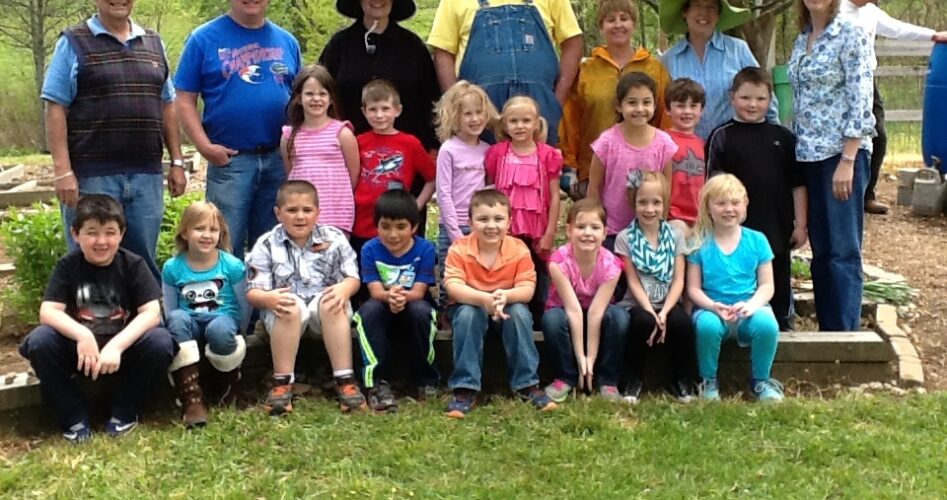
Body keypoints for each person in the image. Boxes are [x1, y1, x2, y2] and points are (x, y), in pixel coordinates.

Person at [42, 0, 186, 281]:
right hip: (92, 176)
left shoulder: (153, 43)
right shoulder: (74, 42)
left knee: (140, 262)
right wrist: (62, 171)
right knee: (90, 260)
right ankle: (88, 310)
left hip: (146, 175)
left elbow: (167, 104)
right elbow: (55, 106)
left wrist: (177, 162)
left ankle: (143, 310)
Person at [19, 195, 175, 443]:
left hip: (123, 351)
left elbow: (152, 312)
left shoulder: (133, 264)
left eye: (110, 233)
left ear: (122, 234)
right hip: (81, 353)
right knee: (40, 340)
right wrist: (82, 335)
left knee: (160, 341)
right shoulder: (68, 266)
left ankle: (126, 411)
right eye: (92, 233)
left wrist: (117, 346)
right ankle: (73, 416)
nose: (102, 241)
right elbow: (48, 311)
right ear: (75, 234)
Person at [174, 0, 302, 259]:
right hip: (230, 161)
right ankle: (225, 288)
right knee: (223, 245)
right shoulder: (203, 39)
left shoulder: (287, 42)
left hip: (279, 160)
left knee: (273, 248)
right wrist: (204, 147)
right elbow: (184, 99)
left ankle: (264, 288)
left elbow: (302, 97)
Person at [789, 0, 875, 332]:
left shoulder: (851, 34)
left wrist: (848, 159)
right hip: (808, 156)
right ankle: (828, 334)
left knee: (843, 250)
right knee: (822, 251)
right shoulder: (803, 39)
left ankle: (846, 337)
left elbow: (861, 99)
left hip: (841, 156)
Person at [244, 181, 365, 415]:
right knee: (289, 305)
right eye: (292, 210)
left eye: (307, 210)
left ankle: (345, 380)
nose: (300, 217)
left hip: (325, 315)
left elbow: (352, 278)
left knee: (333, 300)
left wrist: (344, 289)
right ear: (278, 213)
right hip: (285, 317)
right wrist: (268, 299)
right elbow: (253, 292)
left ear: (318, 212)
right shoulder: (266, 244)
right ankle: (282, 383)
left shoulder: (334, 238)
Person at [706, 67, 807, 331]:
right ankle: (734, 326)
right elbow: (712, 187)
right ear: (732, 97)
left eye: (760, 98)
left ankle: (783, 325)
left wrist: (801, 225)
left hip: (777, 226)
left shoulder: (783, 138)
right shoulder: (721, 136)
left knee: (778, 277)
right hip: (733, 228)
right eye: (745, 97)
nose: (753, 104)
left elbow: (798, 185)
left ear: (770, 100)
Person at [443, 189, 557, 418]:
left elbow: (527, 289)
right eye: (483, 219)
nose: (491, 226)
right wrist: (483, 299)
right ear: (470, 222)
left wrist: (505, 296)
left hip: (507, 304)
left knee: (520, 314)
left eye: (498, 219)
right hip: (470, 304)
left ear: (509, 222)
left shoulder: (519, 249)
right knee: (467, 314)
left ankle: (527, 384)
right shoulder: (459, 249)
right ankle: (465, 388)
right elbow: (453, 285)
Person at [841, 0, 947, 215]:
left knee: (878, 136)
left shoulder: (870, 12)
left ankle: (866, 195)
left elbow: (897, 28)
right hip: (839, 80)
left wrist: (933, 35)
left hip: (866, 81)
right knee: (843, 138)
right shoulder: (835, 9)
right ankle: (842, 194)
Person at [427, 0, 584, 145]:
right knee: (482, 164)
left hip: (538, 107)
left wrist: (556, 101)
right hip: (481, 111)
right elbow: (443, 52)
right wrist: (456, 104)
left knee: (540, 163)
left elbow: (572, 42)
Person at [559, 0, 672, 198]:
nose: (618, 24)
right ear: (601, 26)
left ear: (634, 23)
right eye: (611, 20)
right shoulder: (586, 70)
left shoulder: (654, 68)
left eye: (624, 18)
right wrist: (569, 165)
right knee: (596, 216)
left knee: (635, 215)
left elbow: (666, 118)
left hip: (642, 170)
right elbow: (570, 121)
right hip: (592, 169)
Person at [686, 174, 783, 402]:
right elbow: (693, 288)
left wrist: (752, 306)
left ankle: (761, 380)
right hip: (712, 309)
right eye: (721, 203)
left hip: (748, 308)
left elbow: (767, 285)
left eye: (735, 202)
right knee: (707, 327)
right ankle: (708, 380)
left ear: (745, 204)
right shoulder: (699, 242)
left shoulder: (757, 240)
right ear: (708, 207)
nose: (729, 209)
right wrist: (712, 306)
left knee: (767, 325)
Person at [162, 201, 249, 428]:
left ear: (221, 234)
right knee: (177, 319)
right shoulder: (172, 267)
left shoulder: (232, 266)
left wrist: (241, 330)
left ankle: (228, 384)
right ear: (185, 232)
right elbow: (170, 308)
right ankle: (190, 396)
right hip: (188, 322)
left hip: (223, 319)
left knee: (220, 329)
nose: (207, 235)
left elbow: (245, 304)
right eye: (199, 228)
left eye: (213, 229)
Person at [353, 190, 440, 413]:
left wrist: (401, 298)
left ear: (414, 227)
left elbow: (419, 291)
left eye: (401, 227)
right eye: (385, 226)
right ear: (376, 226)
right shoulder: (370, 249)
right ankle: (376, 383)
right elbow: (375, 290)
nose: (393, 234)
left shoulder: (425, 249)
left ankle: (425, 379)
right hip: (382, 304)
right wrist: (389, 296)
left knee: (421, 311)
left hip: (414, 304)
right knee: (368, 312)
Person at [614, 173, 697, 404]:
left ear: (665, 204)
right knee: (643, 322)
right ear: (633, 203)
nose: (649, 209)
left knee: (680, 322)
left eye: (656, 202)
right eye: (643, 202)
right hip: (638, 303)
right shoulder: (625, 238)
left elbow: (679, 280)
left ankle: (681, 379)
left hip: (669, 301)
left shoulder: (675, 236)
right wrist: (652, 312)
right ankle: (634, 378)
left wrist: (664, 312)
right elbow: (633, 281)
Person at [320, 0, 441, 152]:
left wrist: (434, 145)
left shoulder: (413, 47)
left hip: (407, 155)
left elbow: (432, 101)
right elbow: (320, 94)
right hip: (347, 152)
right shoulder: (338, 46)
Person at [541, 199, 628, 404]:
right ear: (569, 230)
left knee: (620, 317)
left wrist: (590, 359)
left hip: (598, 312)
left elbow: (596, 313)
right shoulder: (558, 262)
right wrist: (581, 359)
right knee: (552, 320)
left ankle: (607, 380)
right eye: (581, 227)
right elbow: (573, 311)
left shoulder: (612, 265)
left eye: (595, 228)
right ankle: (565, 377)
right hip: (567, 310)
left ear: (605, 233)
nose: (587, 233)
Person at [485, 95, 562, 322]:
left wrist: (550, 233)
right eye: (514, 121)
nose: (520, 126)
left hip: (536, 231)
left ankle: (538, 321)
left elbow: (555, 196)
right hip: (504, 231)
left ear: (537, 123)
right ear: (505, 125)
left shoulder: (547, 155)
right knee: (505, 272)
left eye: (526, 121)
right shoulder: (498, 153)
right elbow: (489, 190)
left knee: (537, 273)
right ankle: (504, 318)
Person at [659, 0, 777, 139]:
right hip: (687, 147)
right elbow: (661, 107)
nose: (704, 12)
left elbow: (763, 90)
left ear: (719, 15)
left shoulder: (737, 49)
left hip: (734, 143)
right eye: (697, 6)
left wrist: (775, 135)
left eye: (711, 7)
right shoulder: (669, 59)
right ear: (685, 12)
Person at [586, 72, 677, 248]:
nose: (640, 109)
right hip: (612, 230)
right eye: (632, 102)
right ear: (619, 106)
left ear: (655, 105)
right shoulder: (607, 142)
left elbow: (666, 190)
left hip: (648, 231)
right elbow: (594, 186)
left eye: (646, 102)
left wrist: (660, 227)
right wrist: (597, 223)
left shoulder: (664, 144)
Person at [351, 80, 436, 258]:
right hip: (362, 223)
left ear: (397, 110)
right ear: (364, 112)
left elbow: (432, 177)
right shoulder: (357, 142)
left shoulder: (410, 143)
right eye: (373, 109)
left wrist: (417, 204)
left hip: (397, 224)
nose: (379, 115)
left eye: (385, 108)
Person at [434, 81, 499, 309]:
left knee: (477, 275)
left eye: (479, 112)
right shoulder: (448, 150)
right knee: (451, 278)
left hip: (479, 225)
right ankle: (446, 318)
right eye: (468, 114)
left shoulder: (487, 150)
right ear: (455, 117)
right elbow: (443, 193)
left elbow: (489, 189)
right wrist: (454, 232)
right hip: (453, 226)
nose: (475, 119)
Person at [280, 64, 359, 235]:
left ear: (331, 99)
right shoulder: (288, 136)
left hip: (336, 216)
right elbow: (291, 172)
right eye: (309, 94)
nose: (316, 99)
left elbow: (353, 176)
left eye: (322, 94)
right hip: (300, 218)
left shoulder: (342, 133)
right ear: (298, 98)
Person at [665, 78, 707, 233]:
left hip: (700, 221)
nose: (687, 111)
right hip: (671, 218)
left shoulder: (704, 145)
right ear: (668, 109)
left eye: (693, 106)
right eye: (680, 106)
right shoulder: (662, 141)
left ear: (701, 110)